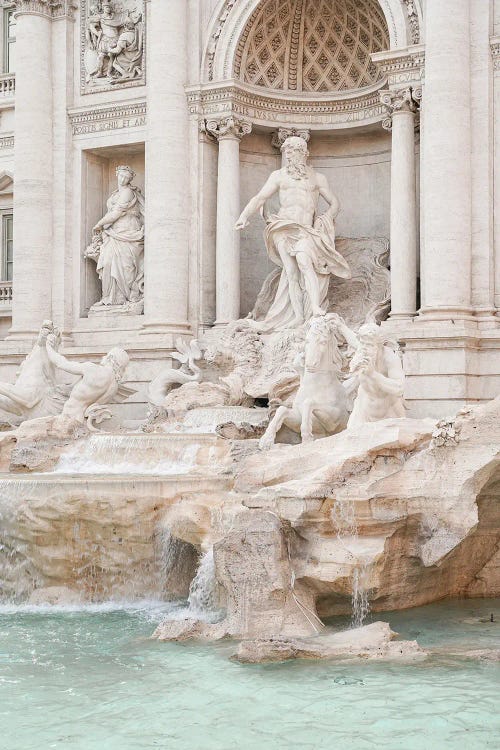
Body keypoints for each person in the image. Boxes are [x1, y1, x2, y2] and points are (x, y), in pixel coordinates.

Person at [235, 136, 351, 330]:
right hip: (283, 226)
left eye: (292, 151)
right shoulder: (278, 176)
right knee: (291, 273)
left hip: (305, 229)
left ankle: (314, 307)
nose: (288, 156)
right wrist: (244, 216)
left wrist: (326, 218)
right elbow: (260, 197)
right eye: (286, 152)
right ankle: (298, 316)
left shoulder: (317, 178)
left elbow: (335, 203)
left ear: (302, 153)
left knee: (305, 263)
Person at [89, 165, 144, 309]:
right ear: (116, 175)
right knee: (107, 262)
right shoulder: (114, 194)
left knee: (126, 266)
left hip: (128, 230)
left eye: (127, 177)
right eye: (121, 176)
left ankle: (123, 297)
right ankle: (108, 297)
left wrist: (99, 224)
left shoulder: (128, 193)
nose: (123, 179)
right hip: (113, 233)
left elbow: (116, 213)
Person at [45, 336, 129, 430]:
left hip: (66, 419)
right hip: (82, 423)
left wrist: (48, 346)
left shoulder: (93, 369)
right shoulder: (114, 386)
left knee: (26, 428)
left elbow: (61, 363)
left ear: (110, 358)